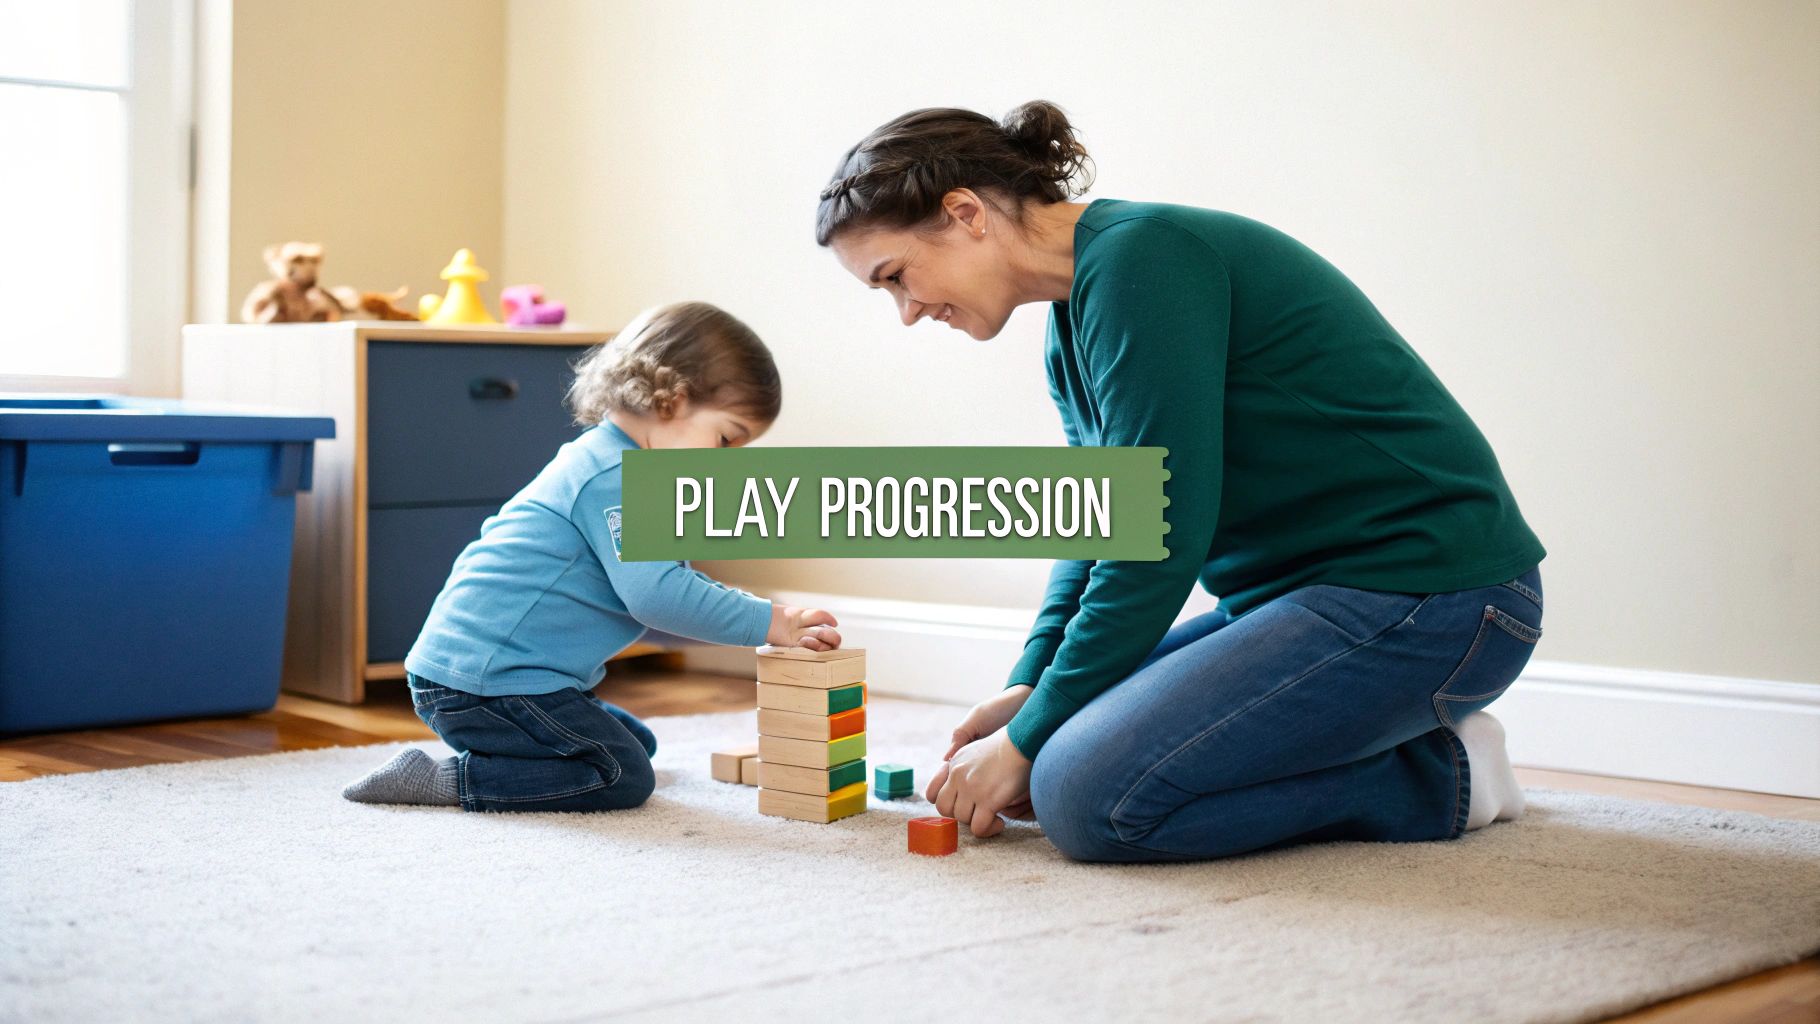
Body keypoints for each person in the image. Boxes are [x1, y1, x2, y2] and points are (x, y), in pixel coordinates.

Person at [818, 102, 1547, 861]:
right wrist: (1033, 688)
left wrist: (1030, 740)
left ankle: (1438, 774)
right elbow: (1097, 526)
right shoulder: (1072, 323)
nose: (905, 313)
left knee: (1082, 796)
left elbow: (1157, 540)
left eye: (896, 277)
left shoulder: (1146, 261)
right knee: (1051, 750)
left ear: (965, 213)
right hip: (1308, 603)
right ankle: (1391, 736)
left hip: (1438, 599)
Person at [342, 301, 841, 811]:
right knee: (621, 775)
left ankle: (504, 757)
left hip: (494, 677)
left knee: (636, 746)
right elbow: (660, 598)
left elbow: (673, 578)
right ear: (671, 399)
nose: (727, 459)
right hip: (482, 684)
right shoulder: (616, 479)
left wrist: (769, 614)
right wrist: (770, 622)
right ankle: (448, 780)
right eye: (726, 438)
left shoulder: (617, 465)